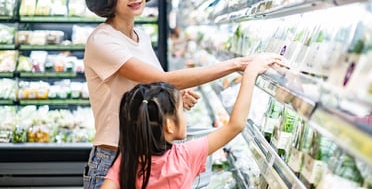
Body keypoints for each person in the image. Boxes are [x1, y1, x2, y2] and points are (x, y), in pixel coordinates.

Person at [82, 0, 267, 188]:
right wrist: (237, 64)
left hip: (145, 158)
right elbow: (163, 78)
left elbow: (151, 88)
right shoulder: (102, 41)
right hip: (114, 159)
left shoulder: (141, 36)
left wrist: (173, 97)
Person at [100, 53, 282, 189]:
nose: (185, 114)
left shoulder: (127, 161)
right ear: (170, 126)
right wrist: (250, 74)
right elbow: (236, 125)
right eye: (181, 110)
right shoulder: (185, 156)